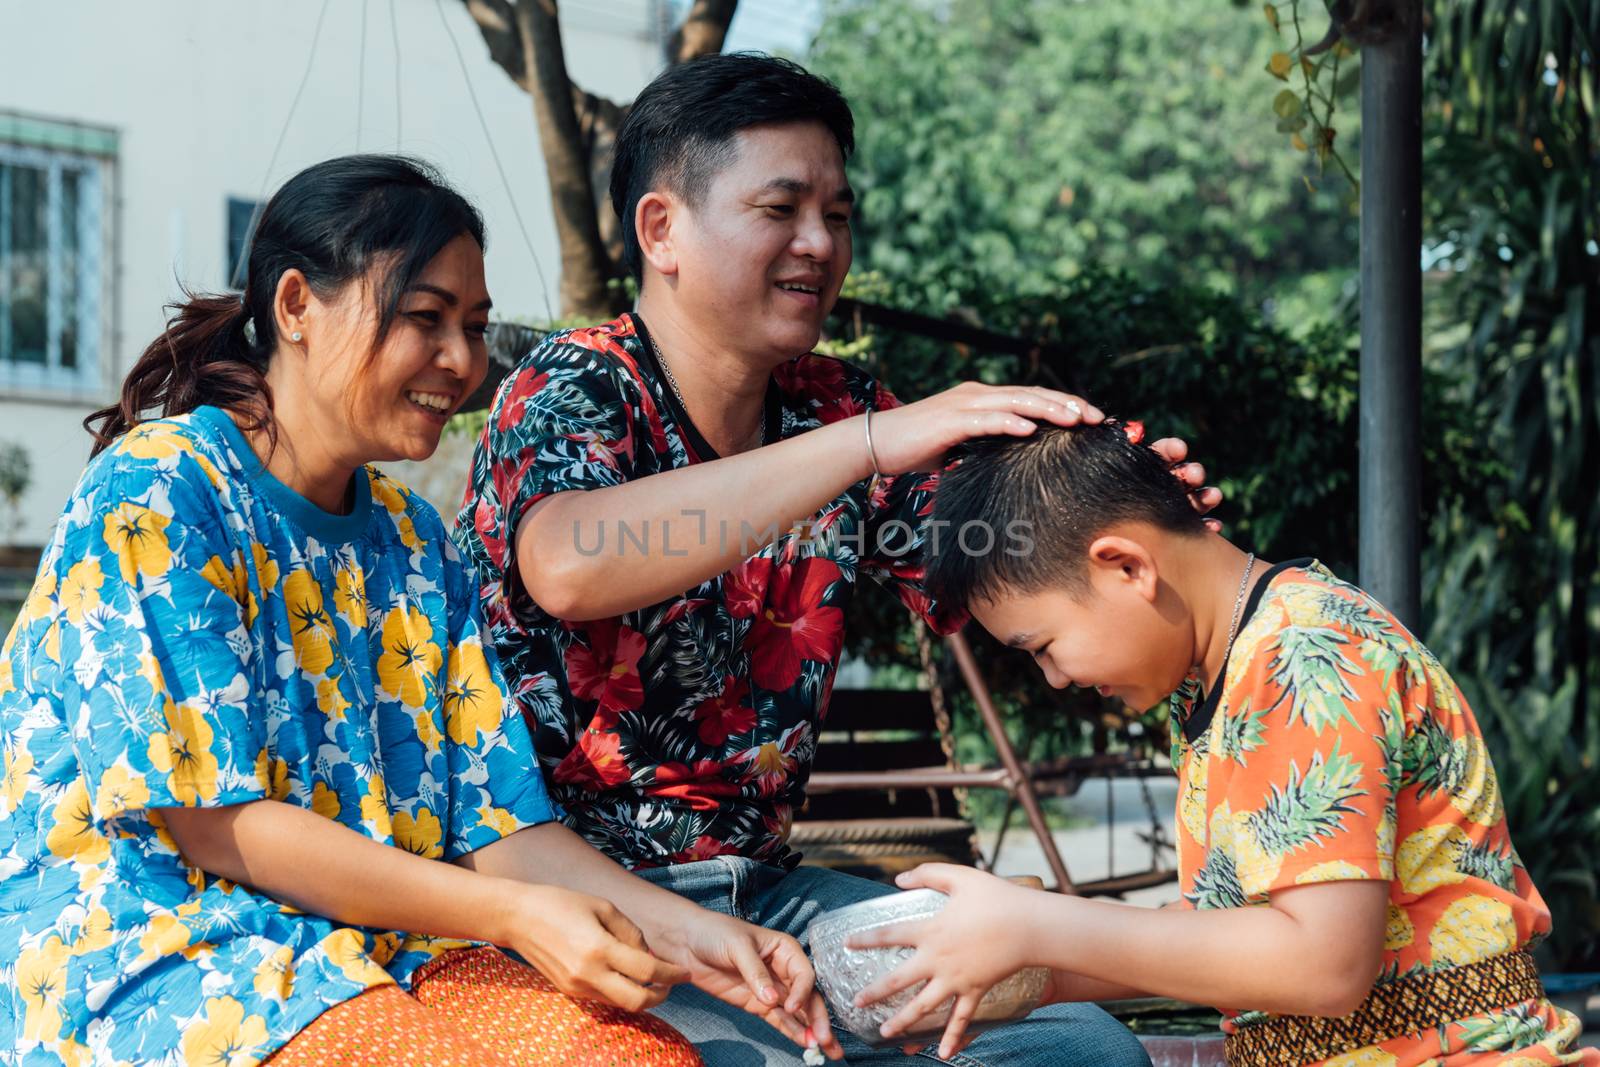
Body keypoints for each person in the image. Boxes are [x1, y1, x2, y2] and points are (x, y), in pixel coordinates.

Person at [456, 52, 1219, 1066]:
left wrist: (1122, 529)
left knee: (1076, 1046)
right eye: (780, 208)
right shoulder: (572, 389)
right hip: (573, 903)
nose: (818, 243)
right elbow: (569, 562)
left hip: (772, 892)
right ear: (661, 229)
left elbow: (986, 552)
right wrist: (863, 445)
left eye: (838, 214)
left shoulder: (837, 404)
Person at [0, 154, 840, 1066]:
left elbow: (500, 827)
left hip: (371, 943)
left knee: (643, 1057)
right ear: (294, 307)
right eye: (425, 319)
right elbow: (215, 824)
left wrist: (690, 933)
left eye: (474, 327)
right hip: (157, 950)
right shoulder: (159, 489)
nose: (461, 362)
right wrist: (514, 916)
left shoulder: (413, 537)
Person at [848, 420, 1599, 1066]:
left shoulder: (1304, 653)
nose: (1054, 678)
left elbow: (1323, 963)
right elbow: (1227, 939)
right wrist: (1021, 968)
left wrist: (1038, 924)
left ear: (1126, 565)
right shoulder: (1230, 670)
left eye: (1043, 644)